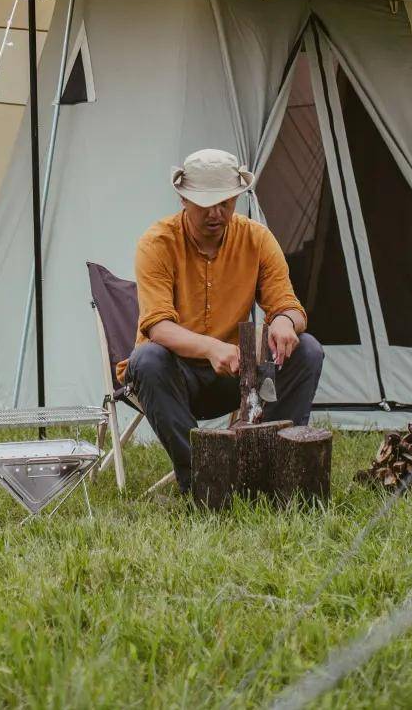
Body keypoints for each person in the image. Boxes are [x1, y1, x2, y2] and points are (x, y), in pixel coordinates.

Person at [117, 147, 325, 495]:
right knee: (147, 359)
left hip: (235, 374)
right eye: (205, 204)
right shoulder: (157, 242)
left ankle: (270, 470)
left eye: (226, 203)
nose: (216, 213)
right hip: (173, 378)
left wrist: (286, 322)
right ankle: (206, 483)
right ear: (183, 199)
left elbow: (287, 304)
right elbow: (157, 327)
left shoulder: (257, 238)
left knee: (307, 350)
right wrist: (214, 348)